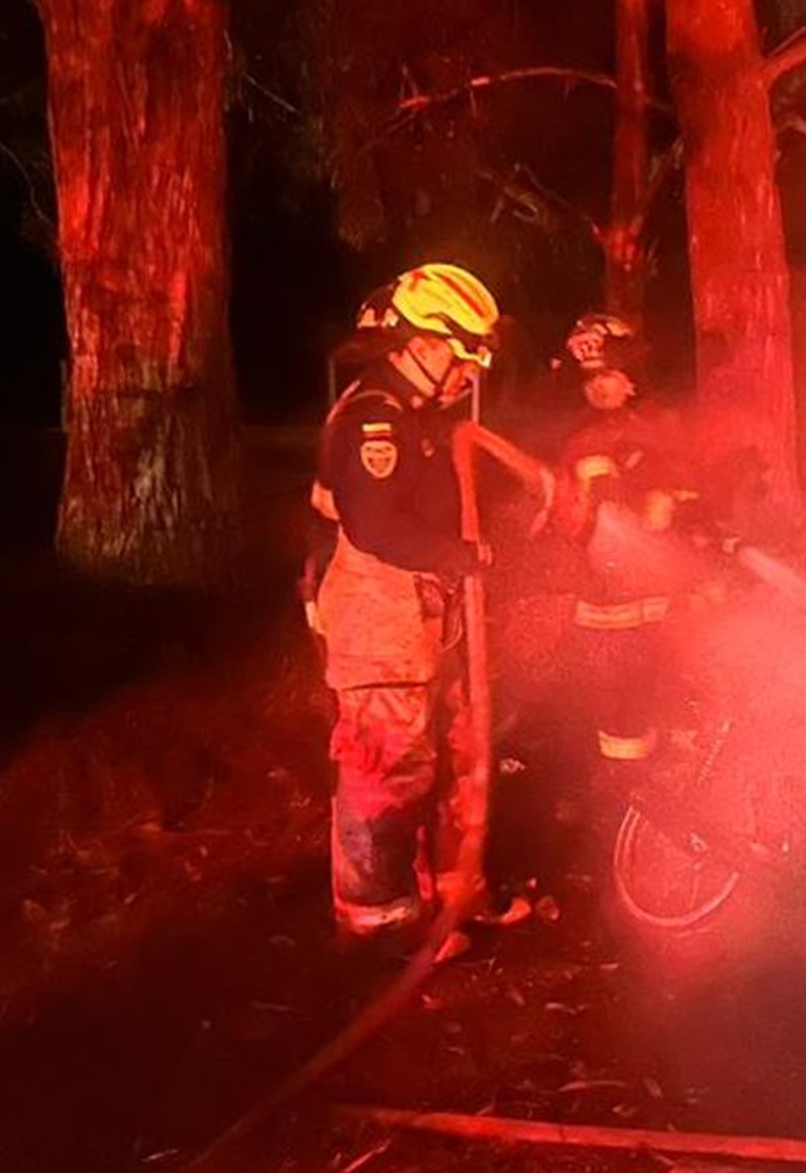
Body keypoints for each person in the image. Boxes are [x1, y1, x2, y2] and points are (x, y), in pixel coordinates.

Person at [301, 263, 500, 940]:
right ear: (424, 343)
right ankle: (376, 922)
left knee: (420, 763)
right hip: (375, 626)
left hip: (408, 623)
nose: (469, 373)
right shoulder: (372, 420)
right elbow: (377, 525)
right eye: (463, 355)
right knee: (381, 770)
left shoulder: (412, 417)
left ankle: (428, 898)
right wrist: (457, 556)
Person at [548, 313, 707, 799]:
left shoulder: (664, 428)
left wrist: (670, 505)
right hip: (606, 612)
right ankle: (625, 807)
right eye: (590, 379)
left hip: (666, 603)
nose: (598, 387)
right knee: (620, 720)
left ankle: (688, 801)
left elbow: (696, 501)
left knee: (678, 704)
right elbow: (566, 520)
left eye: (608, 375)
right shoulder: (579, 444)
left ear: (632, 376)